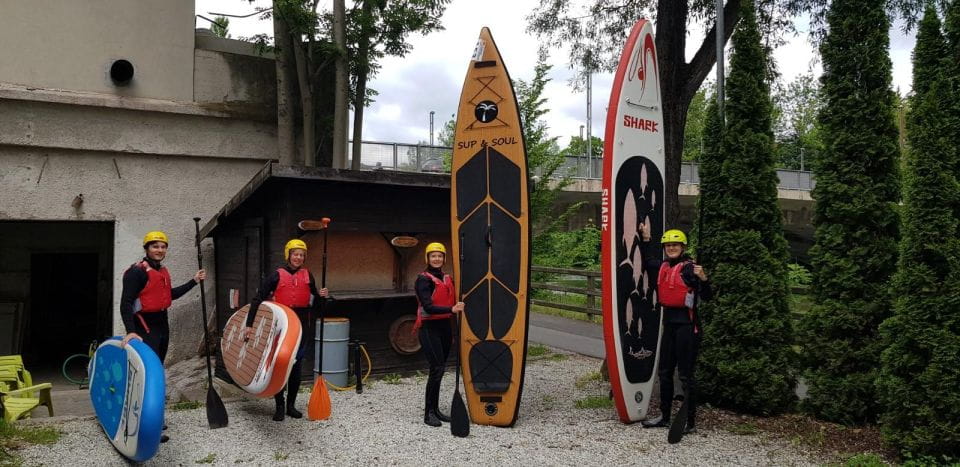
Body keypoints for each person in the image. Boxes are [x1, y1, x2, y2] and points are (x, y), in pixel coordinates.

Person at [120, 230, 205, 443]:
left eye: (163, 246)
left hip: (161, 324)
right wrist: (130, 330)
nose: (160, 250)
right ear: (147, 248)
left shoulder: (162, 271)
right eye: (155, 246)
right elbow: (126, 303)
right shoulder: (136, 273)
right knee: (148, 375)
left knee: (157, 372)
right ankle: (143, 426)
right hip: (144, 326)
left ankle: (154, 418)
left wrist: (194, 281)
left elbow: (169, 295)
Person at [244, 239, 329, 422]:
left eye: (301, 255)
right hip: (281, 327)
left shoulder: (308, 276)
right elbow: (258, 299)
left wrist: (323, 297)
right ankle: (280, 406)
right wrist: (249, 325)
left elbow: (316, 304)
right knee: (280, 366)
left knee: (296, 366)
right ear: (288, 255)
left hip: (301, 328)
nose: (298, 257)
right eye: (295, 254)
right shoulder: (276, 275)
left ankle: (291, 405)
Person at [638, 228, 711, 434]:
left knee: (686, 376)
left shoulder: (690, 269)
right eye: (668, 245)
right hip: (669, 326)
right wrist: (646, 239)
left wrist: (703, 278)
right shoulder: (662, 267)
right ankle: (664, 416)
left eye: (675, 245)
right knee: (665, 372)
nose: (671, 248)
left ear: (682, 247)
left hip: (688, 328)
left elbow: (707, 297)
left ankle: (690, 421)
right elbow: (648, 260)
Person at [413, 242, 465, 427]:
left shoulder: (446, 278)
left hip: (444, 327)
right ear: (427, 258)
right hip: (429, 328)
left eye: (440, 256)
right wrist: (452, 308)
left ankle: (436, 410)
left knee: (440, 370)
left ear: (444, 258)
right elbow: (428, 306)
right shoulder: (423, 280)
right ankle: (428, 414)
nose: (437, 259)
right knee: (436, 369)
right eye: (433, 256)